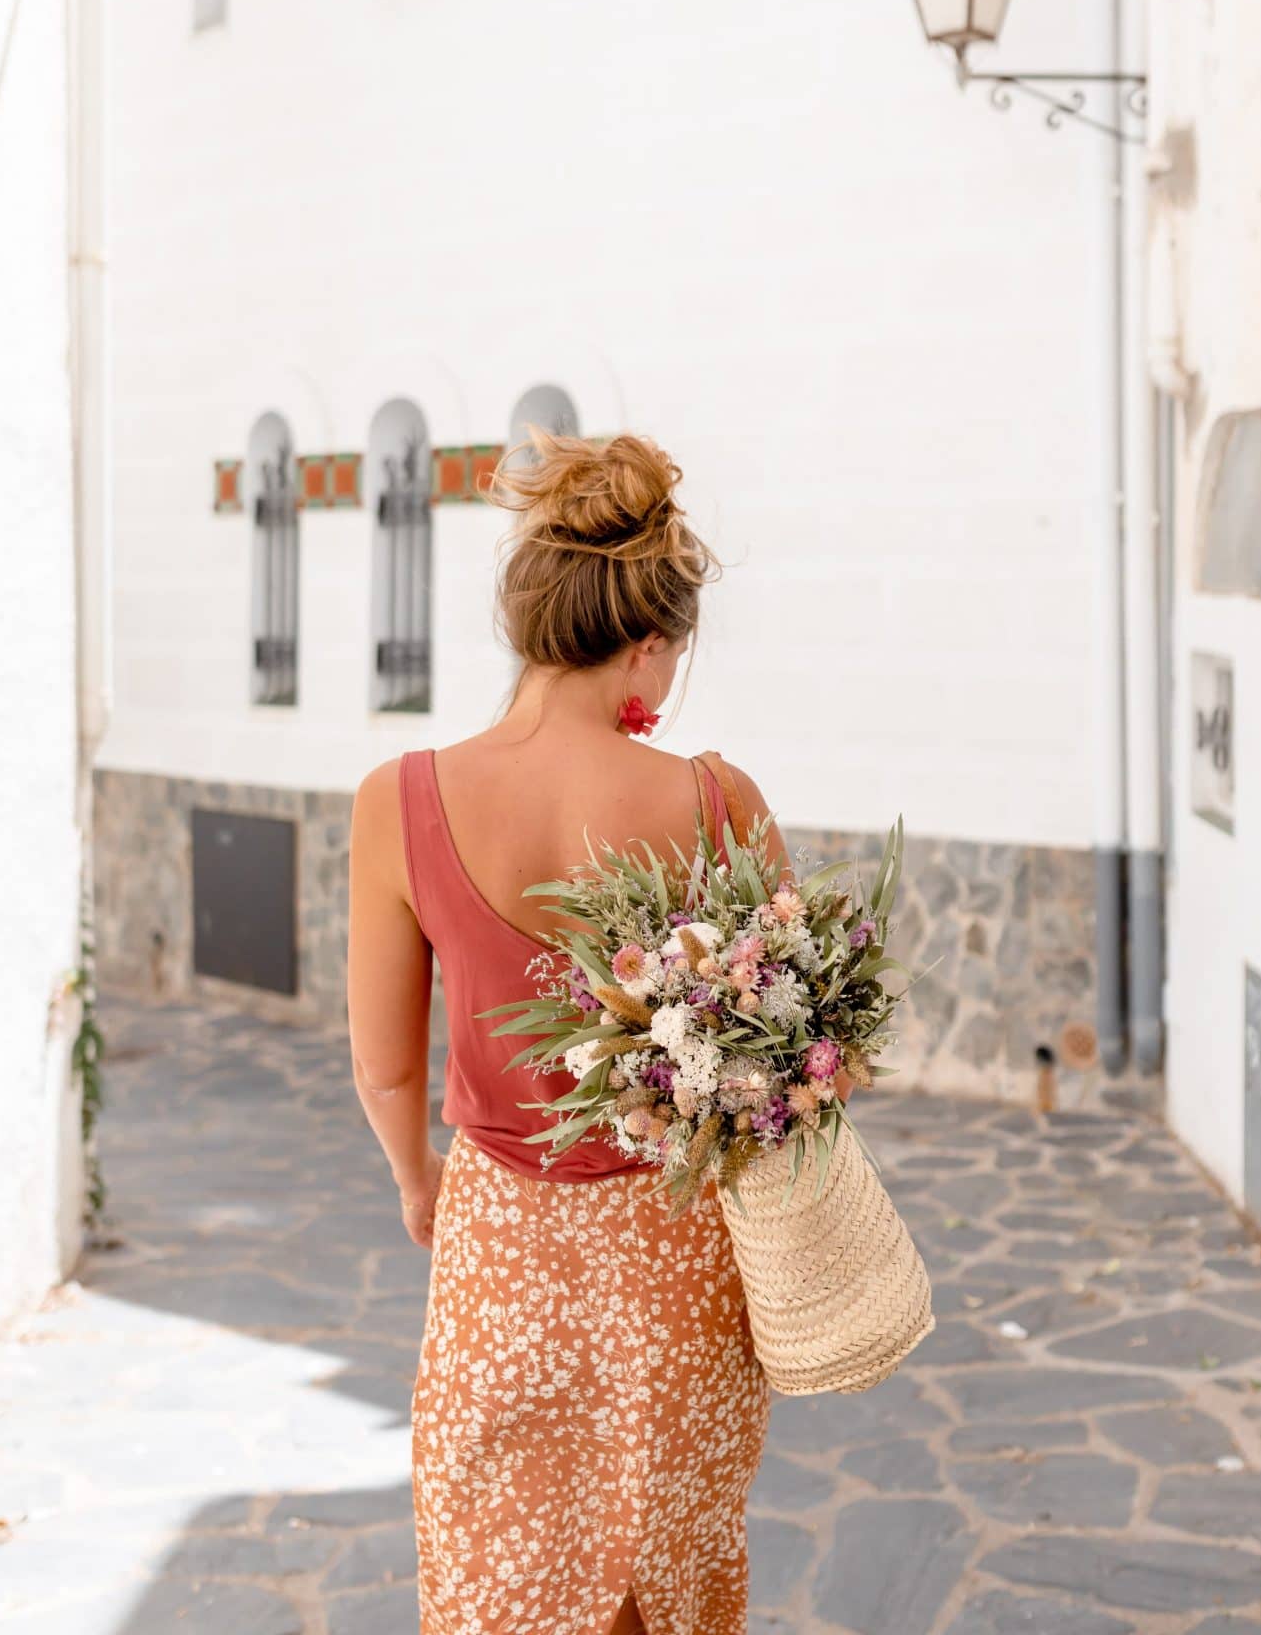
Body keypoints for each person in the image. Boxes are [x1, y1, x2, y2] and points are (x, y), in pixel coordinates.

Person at [347, 429, 778, 1635]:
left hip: (500, 1245)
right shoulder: (712, 800)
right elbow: (778, 1065)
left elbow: (383, 1062)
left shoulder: (402, 797)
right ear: (646, 638)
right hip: (677, 1257)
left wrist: (420, 1182)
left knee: (501, 1568)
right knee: (664, 1568)